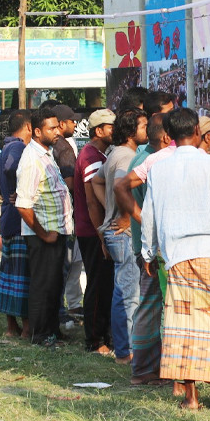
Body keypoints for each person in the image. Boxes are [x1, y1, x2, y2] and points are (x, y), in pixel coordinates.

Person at [140, 108, 210, 410]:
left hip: (177, 258)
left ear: (169, 135)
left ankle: (190, 398)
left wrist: (148, 253)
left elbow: (149, 215)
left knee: (184, 326)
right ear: (196, 133)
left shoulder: (158, 169)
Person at [121, 112, 173, 385]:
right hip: (151, 247)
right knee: (152, 305)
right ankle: (143, 369)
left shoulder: (147, 157)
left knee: (153, 305)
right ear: (166, 136)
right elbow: (121, 189)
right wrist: (141, 217)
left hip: (150, 244)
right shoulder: (152, 162)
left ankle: (149, 367)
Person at [93, 108, 147, 365]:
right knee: (128, 294)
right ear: (130, 131)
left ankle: (125, 348)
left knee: (122, 290)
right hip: (123, 233)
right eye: (143, 125)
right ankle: (125, 352)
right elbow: (117, 184)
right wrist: (123, 214)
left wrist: (109, 209)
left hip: (115, 231)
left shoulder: (116, 153)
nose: (147, 130)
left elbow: (96, 182)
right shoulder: (126, 157)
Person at [16, 108, 74, 346]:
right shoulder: (31, 159)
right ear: (37, 131)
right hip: (43, 235)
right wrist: (43, 234)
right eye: (52, 128)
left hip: (55, 231)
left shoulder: (45, 153)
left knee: (54, 285)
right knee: (43, 285)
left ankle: (52, 331)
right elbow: (23, 205)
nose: (57, 132)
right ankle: (41, 335)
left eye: (58, 126)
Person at [72, 109, 117, 355]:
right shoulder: (91, 156)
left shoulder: (98, 153)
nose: (116, 130)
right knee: (98, 285)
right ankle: (94, 339)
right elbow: (92, 201)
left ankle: (103, 336)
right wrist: (102, 234)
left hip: (95, 229)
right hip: (92, 230)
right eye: (111, 127)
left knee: (105, 284)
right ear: (99, 131)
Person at [0, 110, 32, 338]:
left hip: (8, 219)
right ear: (30, 127)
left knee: (9, 276)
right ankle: (24, 327)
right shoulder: (19, 148)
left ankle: (12, 327)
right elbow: (10, 168)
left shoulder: (5, 148)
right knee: (22, 276)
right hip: (20, 221)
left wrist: (5, 192)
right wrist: (18, 190)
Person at [47, 104, 83, 322]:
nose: (75, 124)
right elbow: (70, 183)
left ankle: (64, 308)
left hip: (56, 215)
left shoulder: (49, 146)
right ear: (61, 124)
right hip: (66, 216)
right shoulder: (64, 149)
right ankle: (61, 313)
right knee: (65, 264)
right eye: (71, 121)